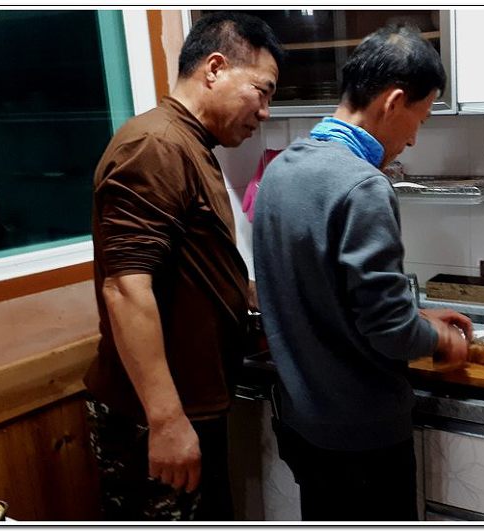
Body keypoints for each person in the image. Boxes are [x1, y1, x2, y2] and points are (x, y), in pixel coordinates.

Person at [253, 25, 472, 521]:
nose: (413, 138)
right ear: (393, 102)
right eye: (420, 118)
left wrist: (418, 315)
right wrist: (439, 340)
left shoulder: (281, 170)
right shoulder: (362, 186)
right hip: (363, 443)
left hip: (304, 426)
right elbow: (389, 332)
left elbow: (324, 296)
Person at [83, 12, 282, 521]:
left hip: (192, 405)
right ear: (215, 69)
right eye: (261, 91)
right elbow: (126, 288)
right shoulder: (154, 146)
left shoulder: (190, 144)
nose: (264, 112)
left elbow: (190, 265)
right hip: (156, 416)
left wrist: (252, 293)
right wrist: (167, 421)